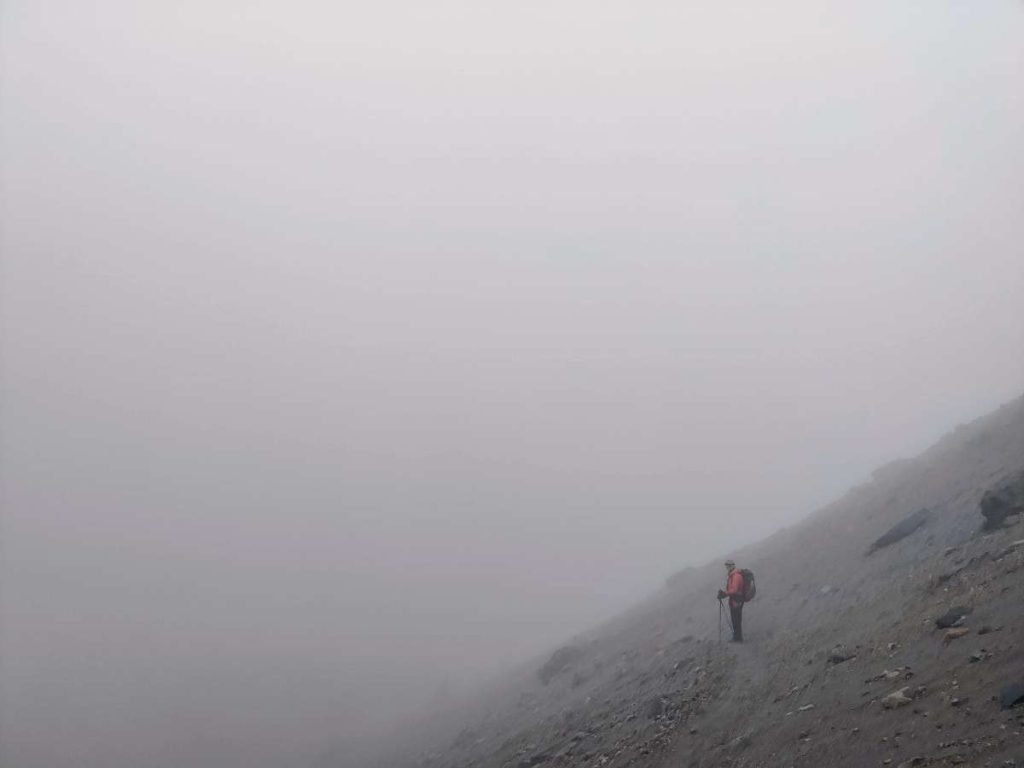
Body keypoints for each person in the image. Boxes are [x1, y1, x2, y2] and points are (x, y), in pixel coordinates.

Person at [717, 560, 745, 642]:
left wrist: (724, 593)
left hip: (736, 600)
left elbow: (734, 590)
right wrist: (725, 593)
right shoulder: (733, 575)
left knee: (736, 619)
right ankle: (737, 637)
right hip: (737, 599)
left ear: (732, 566)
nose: (727, 567)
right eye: (727, 566)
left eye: (728, 566)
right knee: (736, 619)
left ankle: (738, 638)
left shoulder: (735, 576)